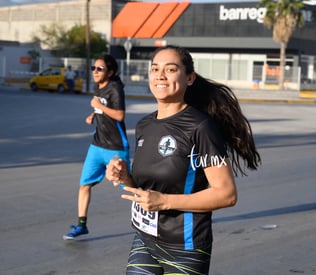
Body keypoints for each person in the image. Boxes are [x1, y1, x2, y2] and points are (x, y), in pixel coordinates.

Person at [105, 45, 261, 274]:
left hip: (185, 248)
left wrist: (165, 201)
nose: (160, 75)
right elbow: (148, 191)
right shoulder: (144, 126)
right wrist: (124, 177)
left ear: (189, 78)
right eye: (155, 69)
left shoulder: (200, 127)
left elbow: (226, 194)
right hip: (145, 239)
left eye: (170, 69)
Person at [63, 54, 130, 240]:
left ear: (110, 71)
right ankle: (81, 225)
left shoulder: (115, 88)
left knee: (131, 187)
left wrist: (98, 104)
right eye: (94, 68)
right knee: (84, 185)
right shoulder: (98, 87)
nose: (95, 71)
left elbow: (119, 115)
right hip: (97, 145)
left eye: (100, 69)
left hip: (116, 146)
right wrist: (94, 113)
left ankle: (162, 210)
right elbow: (102, 107)